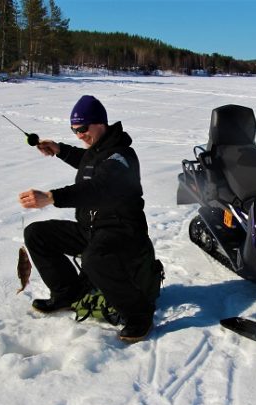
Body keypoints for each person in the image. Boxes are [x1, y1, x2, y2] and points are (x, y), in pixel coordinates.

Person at [18, 95, 162, 343]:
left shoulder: (121, 157)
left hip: (123, 233)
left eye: (83, 129)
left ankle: (139, 316)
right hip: (93, 228)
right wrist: (59, 149)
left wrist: (52, 197)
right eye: (74, 130)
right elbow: (84, 160)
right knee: (37, 234)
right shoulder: (97, 150)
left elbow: (100, 187)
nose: (79, 135)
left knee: (95, 259)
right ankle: (67, 293)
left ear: (100, 123)